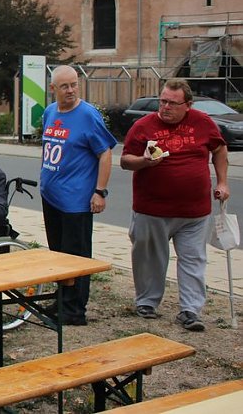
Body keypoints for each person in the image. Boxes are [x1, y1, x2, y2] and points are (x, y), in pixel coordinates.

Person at [121, 78, 229, 332]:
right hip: (152, 210)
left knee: (193, 259)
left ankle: (190, 310)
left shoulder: (203, 122)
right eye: (163, 101)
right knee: (150, 258)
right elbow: (125, 161)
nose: (165, 107)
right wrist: (144, 161)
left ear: (188, 105)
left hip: (194, 212)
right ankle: (147, 302)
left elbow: (219, 149)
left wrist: (223, 182)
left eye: (172, 103)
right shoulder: (143, 126)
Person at [40, 65, 116, 326]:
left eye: (74, 84)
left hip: (76, 201)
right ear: (53, 89)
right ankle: (62, 299)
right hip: (51, 196)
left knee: (76, 256)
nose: (71, 90)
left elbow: (105, 152)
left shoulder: (87, 115)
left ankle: (74, 310)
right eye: (65, 86)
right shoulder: (50, 112)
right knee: (58, 254)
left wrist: (99, 191)